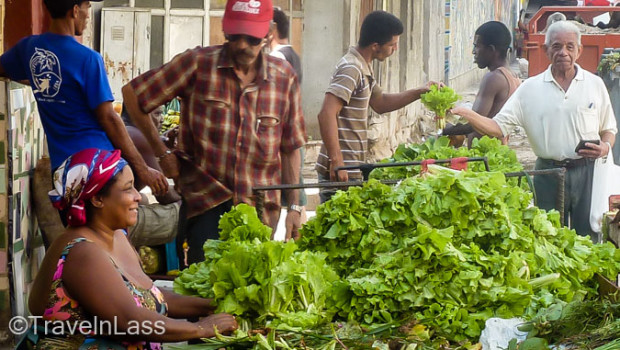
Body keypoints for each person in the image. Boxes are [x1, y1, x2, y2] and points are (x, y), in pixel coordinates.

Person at [122, 0, 306, 267]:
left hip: (260, 212)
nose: (242, 44)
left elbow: (290, 148)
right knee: (204, 294)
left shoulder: (284, 78)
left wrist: (296, 207)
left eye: (251, 38)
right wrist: (161, 153)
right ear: (224, 28)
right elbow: (134, 95)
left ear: (268, 33)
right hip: (205, 203)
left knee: (254, 294)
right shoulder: (197, 64)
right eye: (235, 35)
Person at [26, 148, 237, 348]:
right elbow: (130, 320)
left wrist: (215, 304)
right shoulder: (82, 253)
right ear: (97, 198)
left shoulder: (117, 236)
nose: (138, 196)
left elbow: (150, 298)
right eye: (128, 188)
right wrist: (200, 328)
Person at [451, 20, 617, 239]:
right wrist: (467, 113)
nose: (563, 52)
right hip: (546, 174)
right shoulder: (530, 88)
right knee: (546, 237)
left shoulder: (594, 85)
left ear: (579, 50)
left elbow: (609, 129)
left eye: (569, 46)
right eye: (556, 46)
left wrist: (605, 147)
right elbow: (498, 127)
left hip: (587, 172)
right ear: (546, 50)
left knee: (587, 236)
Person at [0, 0, 169, 198]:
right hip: (100, 167)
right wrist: (144, 170)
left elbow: (4, 69)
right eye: (88, 6)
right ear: (75, 10)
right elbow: (109, 118)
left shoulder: (29, 48)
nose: (88, 14)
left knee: (80, 226)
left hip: (64, 173)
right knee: (121, 223)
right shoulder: (88, 58)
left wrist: (40, 82)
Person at [315, 10, 439, 203]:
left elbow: (380, 103)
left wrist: (420, 92)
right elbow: (326, 114)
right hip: (340, 170)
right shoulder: (351, 68)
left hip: (351, 167)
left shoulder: (363, 66)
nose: (395, 49)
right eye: (392, 44)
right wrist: (336, 161)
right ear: (375, 46)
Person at [443, 21, 521, 147]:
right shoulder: (513, 76)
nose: (474, 52)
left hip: (484, 155)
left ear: (491, 50)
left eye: (477, 46)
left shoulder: (494, 78)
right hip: (497, 150)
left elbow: (473, 123)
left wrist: (443, 129)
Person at [269, 7, 307, 220]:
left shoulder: (276, 58)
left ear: (271, 30)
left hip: (282, 139)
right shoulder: (293, 53)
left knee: (290, 196)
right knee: (296, 195)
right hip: (294, 136)